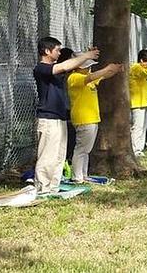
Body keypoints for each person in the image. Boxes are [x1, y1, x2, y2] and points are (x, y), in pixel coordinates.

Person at [33, 38, 98, 194]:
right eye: (57, 50)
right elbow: (64, 65)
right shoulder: (41, 68)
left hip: (59, 119)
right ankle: (42, 187)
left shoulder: (58, 69)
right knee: (47, 156)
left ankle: (53, 188)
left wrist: (86, 56)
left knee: (58, 156)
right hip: (48, 119)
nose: (59, 53)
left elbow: (70, 64)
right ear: (47, 51)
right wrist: (86, 55)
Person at [65, 55, 121, 183]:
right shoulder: (74, 78)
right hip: (83, 119)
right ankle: (77, 176)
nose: (89, 69)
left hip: (91, 118)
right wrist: (107, 68)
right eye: (87, 66)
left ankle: (83, 175)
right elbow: (91, 77)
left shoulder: (88, 79)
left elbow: (101, 76)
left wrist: (114, 70)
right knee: (81, 149)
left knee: (86, 149)